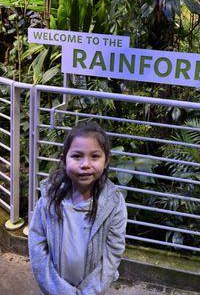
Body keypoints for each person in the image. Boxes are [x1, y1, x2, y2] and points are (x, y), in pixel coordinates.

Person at [28, 121, 127, 295]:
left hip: (93, 290)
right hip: (55, 289)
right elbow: (37, 242)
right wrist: (56, 289)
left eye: (95, 156)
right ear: (64, 158)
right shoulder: (49, 198)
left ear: (106, 161)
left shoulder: (114, 204)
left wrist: (89, 292)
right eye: (77, 156)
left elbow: (113, 251)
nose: (85, 164)